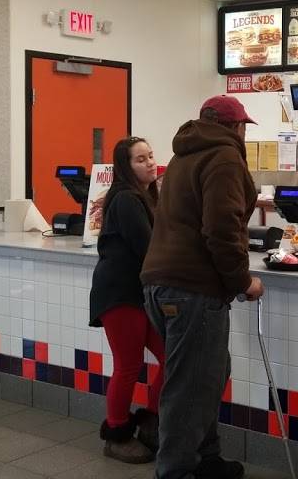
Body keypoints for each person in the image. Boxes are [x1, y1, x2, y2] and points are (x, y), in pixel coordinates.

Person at [141, 95, 264, 479]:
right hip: (192, 289)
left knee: (208, 374)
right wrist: (243, 281)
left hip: (160, 285)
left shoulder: (183, 155)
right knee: (191, 386)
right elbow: (221, 229)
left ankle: (205, 459)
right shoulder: (225, 157)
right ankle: (174, 471)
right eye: (243, 127)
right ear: (235, 127)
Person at [90, 136, 165, 463]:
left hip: (139, 292)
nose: (150, 163)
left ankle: (151, 422)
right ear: (126, 166)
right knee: (128, 365)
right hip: (120, 293)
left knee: (171, 357)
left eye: (150, 156)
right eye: (140, 159)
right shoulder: (125, 199)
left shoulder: (146, 196)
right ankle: (117, 435)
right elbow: (149, 248)